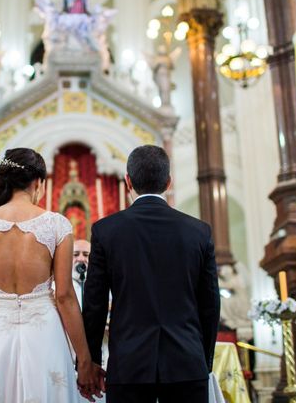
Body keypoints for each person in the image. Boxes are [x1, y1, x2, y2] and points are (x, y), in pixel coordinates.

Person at [0, 148, 104, 402]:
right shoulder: (57, 224)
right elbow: (64, 296)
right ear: (38, 183)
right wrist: (85, 361)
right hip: (45, 333)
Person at [83, 145, 221, 403]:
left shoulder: (105, 231)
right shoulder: (199, 232)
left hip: (129, 364)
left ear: (127, 181)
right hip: (187, 363)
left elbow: (94, 305)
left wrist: (91, 362)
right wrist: (202, 359)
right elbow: (210, 304)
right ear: (169, 182)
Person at [73, 238, 91, 308]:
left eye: (86, 255)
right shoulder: (56, 287)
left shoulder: (103, 285)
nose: (81, 259)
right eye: (75, 254)